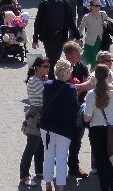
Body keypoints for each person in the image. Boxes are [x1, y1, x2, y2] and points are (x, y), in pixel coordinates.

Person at [40, 59, 80, 191]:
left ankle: (47, 185)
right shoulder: (71, 89)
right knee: (62, 158)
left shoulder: (47, 85)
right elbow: (75, 109)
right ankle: (60, 187)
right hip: (64, 129)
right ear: (67, 73)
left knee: (48, 155)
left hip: (47, 127)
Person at [83, 63, 113, 191]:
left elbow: (87, 118)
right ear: (108, 76)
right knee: (106, 160)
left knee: (101, 162)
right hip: (111, 129)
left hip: (96, 131)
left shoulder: (91, 94)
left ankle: (106, 188)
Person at [62, 41, 94, 180]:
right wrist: (78, 87)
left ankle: (73, 167)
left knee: (77, 139)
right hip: (65, 108)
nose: (80, 55)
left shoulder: (81, 66)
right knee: (63, 140)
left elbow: (89, 82)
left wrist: (80, 86)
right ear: (69, 55)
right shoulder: (62, 67)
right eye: (77, 53)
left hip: (79, 107)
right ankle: (62, 168)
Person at [33, 0, 80, 65]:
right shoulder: (44, 3)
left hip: (61, 36)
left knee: (57, 58)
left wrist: (77, 36)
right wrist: (35, 39)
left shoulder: (65, 3)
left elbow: (70, 21)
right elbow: (38, 22)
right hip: (48, 36)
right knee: (50, 58)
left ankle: (53, 76)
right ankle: (51, 77)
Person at [21, 57, 49, 187]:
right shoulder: (34, 81)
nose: (47, 68)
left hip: (40, 115)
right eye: (44, 66)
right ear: (37, 67)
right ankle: (24, 176)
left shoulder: (39, 79)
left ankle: (39, 170)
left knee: (40, 145)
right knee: (31, 147)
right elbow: (46, 96)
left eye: (48, 66)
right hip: (35, 116)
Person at [79, 0, 108, 66]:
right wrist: (78, 39)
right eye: (96, 6)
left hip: (101, 42)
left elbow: (107, 25)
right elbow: (81, 28)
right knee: (87, 61)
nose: (98, 8)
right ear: (91, 7)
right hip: (90, 42)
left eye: (99, 6)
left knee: (98, 62)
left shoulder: (103, 14)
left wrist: (105, 23)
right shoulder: (87, 17)